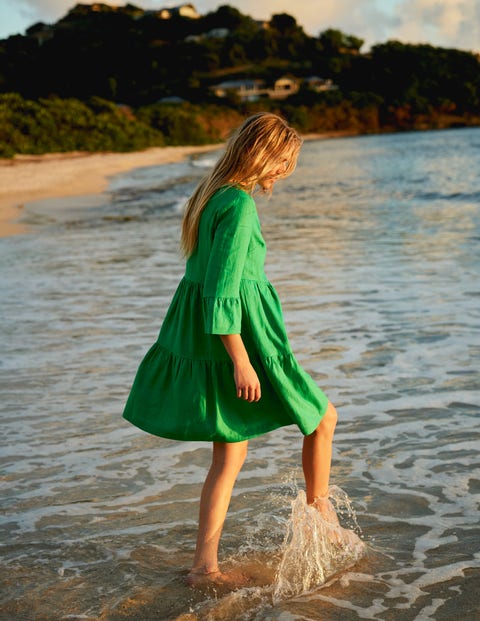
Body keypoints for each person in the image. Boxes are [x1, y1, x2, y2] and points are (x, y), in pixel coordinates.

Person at [123, 112, 340, 588]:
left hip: (217, 334)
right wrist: (242, 360)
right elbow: (221, 291)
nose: (285, 171)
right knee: (323, 418)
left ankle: (204, 566)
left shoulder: (212, 195)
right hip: (241, 338)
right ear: (262, 153)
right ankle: (322, 520)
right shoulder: (238, 205)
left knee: (230, 454)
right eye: (284, 161)